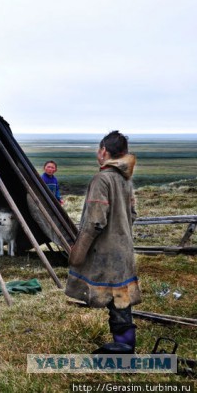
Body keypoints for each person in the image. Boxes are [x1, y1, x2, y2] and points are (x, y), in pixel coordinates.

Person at [65, 131, 141, 353]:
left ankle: (124, 350)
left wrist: (78, 253)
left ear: (104, 151)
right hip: (123, 249)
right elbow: (133, 214)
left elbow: (95, 222)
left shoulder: (102, 179)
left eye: (99, 150)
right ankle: (125, 345)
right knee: (121, 297)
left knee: (118, 301)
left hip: (106, 253)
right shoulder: (126, 180)